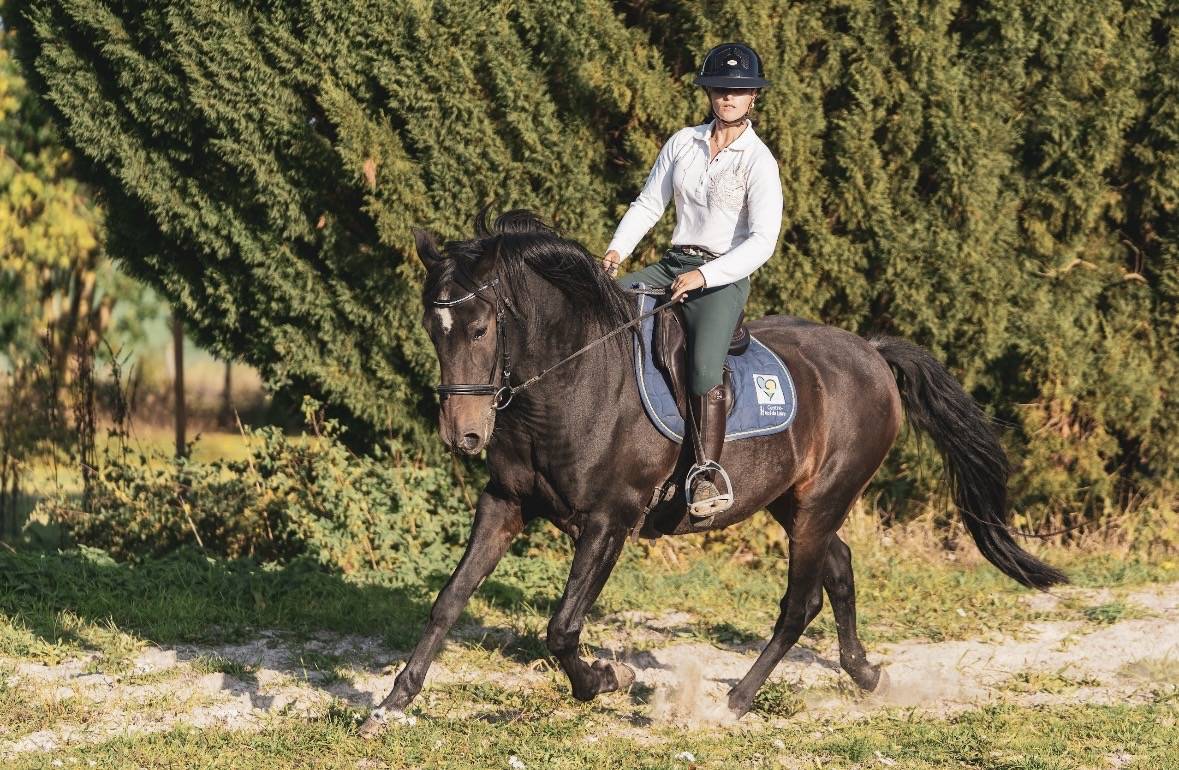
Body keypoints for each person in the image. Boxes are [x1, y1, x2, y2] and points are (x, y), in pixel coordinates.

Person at [604, 42, 783, 518]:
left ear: (753, 99)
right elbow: (648, 204)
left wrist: (705, 275)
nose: (728, 96)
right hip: (670, 264)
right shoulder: (682, 142)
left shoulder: (758, 161)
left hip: (722, 275)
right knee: (603, 309)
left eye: (739, 90)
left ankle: (706, 470)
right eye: (721, 88)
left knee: (704, 367)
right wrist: (616, 252)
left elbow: (763, 241)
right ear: (709, 92)